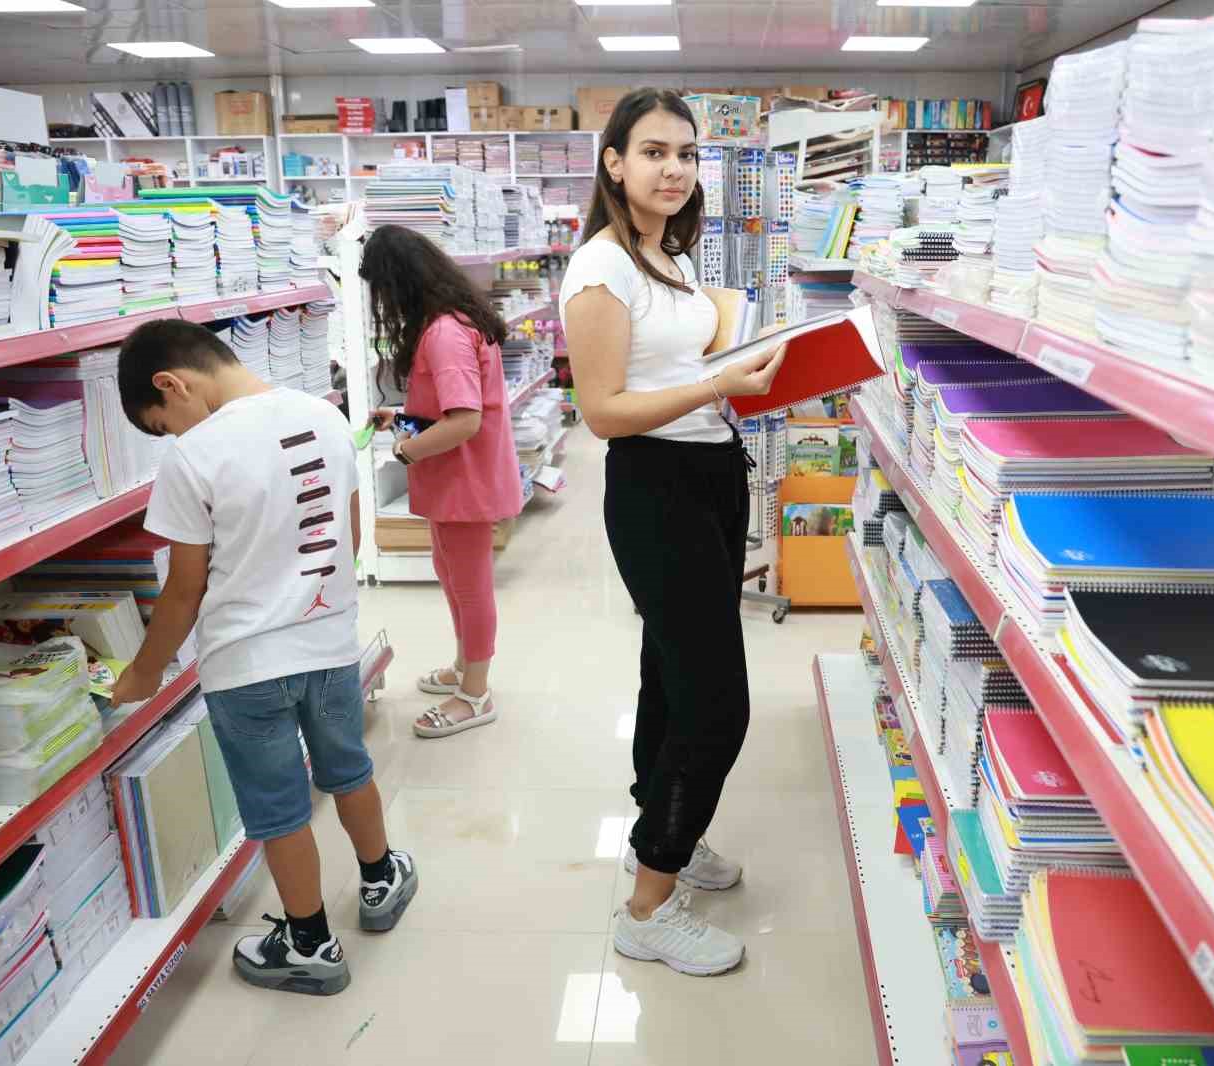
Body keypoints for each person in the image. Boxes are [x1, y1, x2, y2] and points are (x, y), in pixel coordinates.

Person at [109, 319, 418, 996]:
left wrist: (144, 669)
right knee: (348, 770)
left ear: (172, 384)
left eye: (165, 423)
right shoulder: (325, 416)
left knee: (279, 810)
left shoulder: (191, 460)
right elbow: (351, 531)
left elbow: (185, 588)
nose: (173, 437)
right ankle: (380, 878)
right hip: (330, 644)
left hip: (244, 670)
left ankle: (309, 943)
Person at [558, 88, 786, 977]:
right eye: (653, 152)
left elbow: (687, 372)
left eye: (687, 155)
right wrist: (718, 386)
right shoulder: (601, 269)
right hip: (655, 488)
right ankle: (646, 909)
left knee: (670, 674)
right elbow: (604, 414)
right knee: (716, 702)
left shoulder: (671, 260)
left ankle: (668, 836)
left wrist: (744, 368)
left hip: (708, 474)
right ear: (614, 161)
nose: (674, 170)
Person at [361, 224, 523, 738]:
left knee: (470, 587)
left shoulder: (444, 334)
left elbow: (465, 421)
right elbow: (448, 412)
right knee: (452, 575)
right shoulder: (453, 321)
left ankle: (475, 693)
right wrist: (402, 417)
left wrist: (406, 448)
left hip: (464, 482)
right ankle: (464, 665)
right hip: (458, 477)